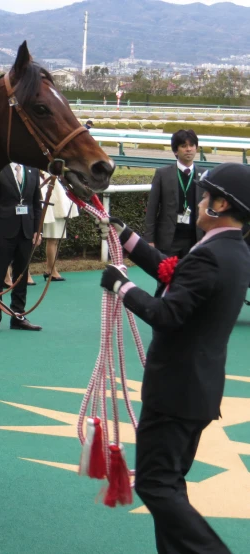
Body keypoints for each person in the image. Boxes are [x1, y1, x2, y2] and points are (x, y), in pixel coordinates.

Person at [98, 162, 250, 554]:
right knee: (169, 481)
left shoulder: (212, 255)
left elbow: (167, 315)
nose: (199, 202)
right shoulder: (231, 250)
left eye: (204, 196)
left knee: (154, 484)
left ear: (219, 205)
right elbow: (174, 275)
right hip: (195, 390)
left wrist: (122, 286)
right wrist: (126, 236)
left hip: (175, 391)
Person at [0, 163, 43, 333]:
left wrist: (37, 230)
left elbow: (36, 204)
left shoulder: (32, 170)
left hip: (26, 231)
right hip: (3, 232)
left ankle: (18, 316)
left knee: (21, 275)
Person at [144, 129, 206, 257]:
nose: (188, 149)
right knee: (168, 276)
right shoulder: (163, 174)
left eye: (191, 145)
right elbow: (152, 208)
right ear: (176, 151)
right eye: (184, 146)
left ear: (196, 148)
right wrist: (149, 239)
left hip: (195, 240)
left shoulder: (204, 175)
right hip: (169, 241)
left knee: (191, 276)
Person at [40, 172, 79, 281]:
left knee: (55, 240)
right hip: (52, 210)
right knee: (52, 240)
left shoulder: (59, 173)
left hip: (60, 209)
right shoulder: (45, 173)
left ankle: (49, 268)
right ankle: (52, 271)